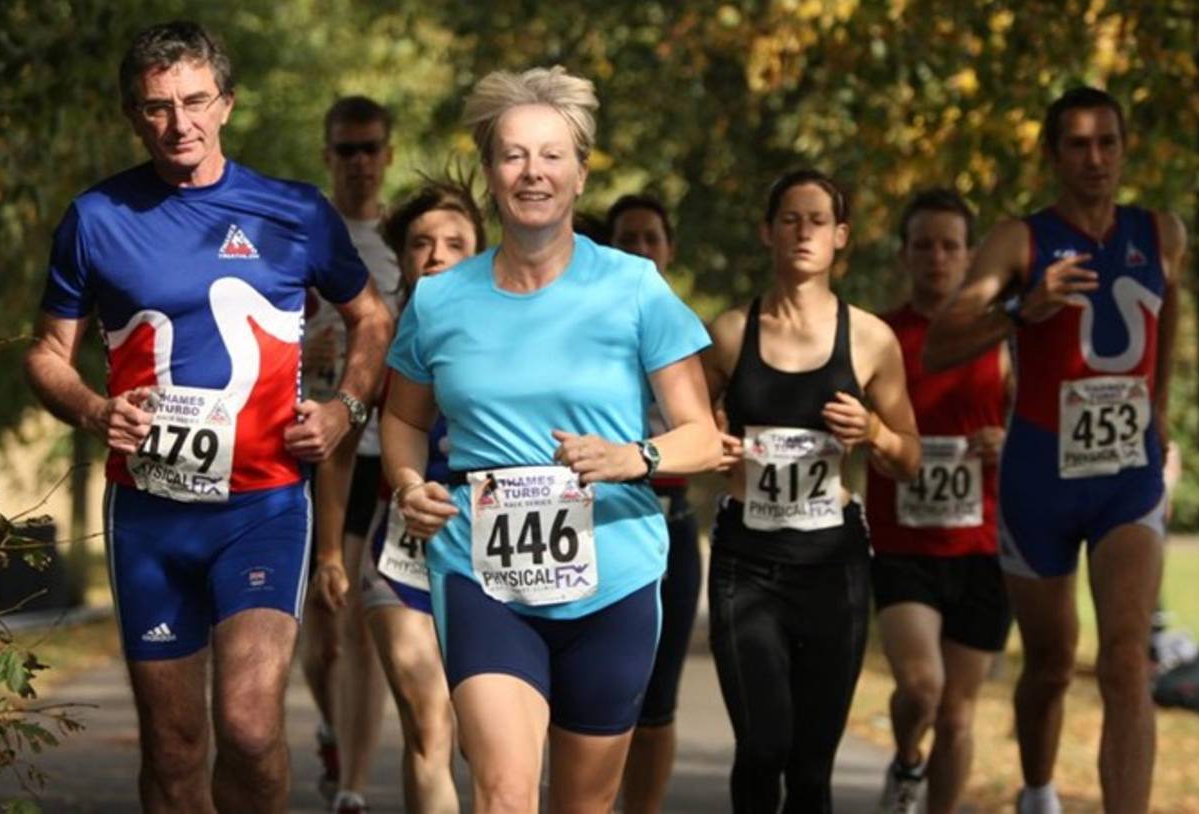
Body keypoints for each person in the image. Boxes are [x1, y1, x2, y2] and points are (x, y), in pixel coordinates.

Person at [22, 21, 393, 813]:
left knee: (251, 727)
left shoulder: (293, 212)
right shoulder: (96, 218)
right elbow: (48, 354)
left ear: (225, 104)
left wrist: (345, 409)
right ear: (134, 115)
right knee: (175, 744)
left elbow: (373, 319)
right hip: (151, 515)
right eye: (157, 107)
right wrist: (93, 409)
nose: (178, 123)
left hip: (262, 506)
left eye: (195, 101)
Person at [382, 67, 722, 813]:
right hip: (483, 576)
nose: (532, 172)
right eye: (513, 155)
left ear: (580, 171)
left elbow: (704, 437)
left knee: (583, 806)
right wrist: (409, 487)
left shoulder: (634, 287)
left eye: (551, 155)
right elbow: (403, 420)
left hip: (615, 574)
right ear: (490, 171)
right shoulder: (440, 300)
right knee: (503, 792)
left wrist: (636, 457)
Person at [922, 87, 1186, 814]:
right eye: (1078, 144)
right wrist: (1022, 309)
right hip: (1040, 478)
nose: (1095, 158)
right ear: (1052, 155)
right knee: (1048, 664)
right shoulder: (1020, 239)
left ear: (1124, 148)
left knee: (1127, 658)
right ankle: (1038, 792)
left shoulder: (1161, 232)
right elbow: (943, 342)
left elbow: (1172, 310)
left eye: (1107, 142)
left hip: (1127, 477)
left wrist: (1158, 404)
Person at [702, 169, 921, 814]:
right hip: (748, 562)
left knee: (810, 767)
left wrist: (875, 430)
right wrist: (715, 438)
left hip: (833, 564)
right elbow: (690, 419)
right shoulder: (730, 334)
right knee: (763, 745)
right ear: (768, 233)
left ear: (840, 237)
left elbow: (910, 456)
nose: (803, 232)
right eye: (790, 220)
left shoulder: (873, 339)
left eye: (817, 221)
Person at [331, 177, 488, 814]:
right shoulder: (381, 339)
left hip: (497, 555)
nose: (437, 254)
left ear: (482, 251)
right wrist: (327, 554)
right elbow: (339, 447)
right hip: (402, 554)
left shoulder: (517, 331)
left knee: (488, 738)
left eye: (455, 242)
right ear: (400, 257)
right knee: (429, 722)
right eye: (421, 243)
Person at [866, 189, 1012, 814]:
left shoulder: (999, 334)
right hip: (903, 544)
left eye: (951, 245)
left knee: (956, 717)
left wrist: (1008, 439)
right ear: (904, 254)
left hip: (983, 546)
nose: (937, 257)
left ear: (972, 256)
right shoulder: (879, 336)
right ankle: (905, 761)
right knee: (923, 688)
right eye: (923, 244)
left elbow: (1036, 424)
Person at [300, 96, 402, 813]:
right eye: (346, 149)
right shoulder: (303, 232)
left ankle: (354, 790)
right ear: (328, 156)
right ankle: (333, 726)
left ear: (388, 154)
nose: (360, 161)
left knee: (363, 627)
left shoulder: (409, 242)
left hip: (380, 451)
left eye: (370, 147)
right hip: (310, 445)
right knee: (321, 635)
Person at [605, 194, 702, 814]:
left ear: (669, 250)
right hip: (596, 524)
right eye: (627, 240)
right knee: (597, 696)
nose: (641, 250)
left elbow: (714, 422)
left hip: (672, 524)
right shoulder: (581, 322)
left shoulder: (687, 330)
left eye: (651, 239)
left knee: (658, 702)